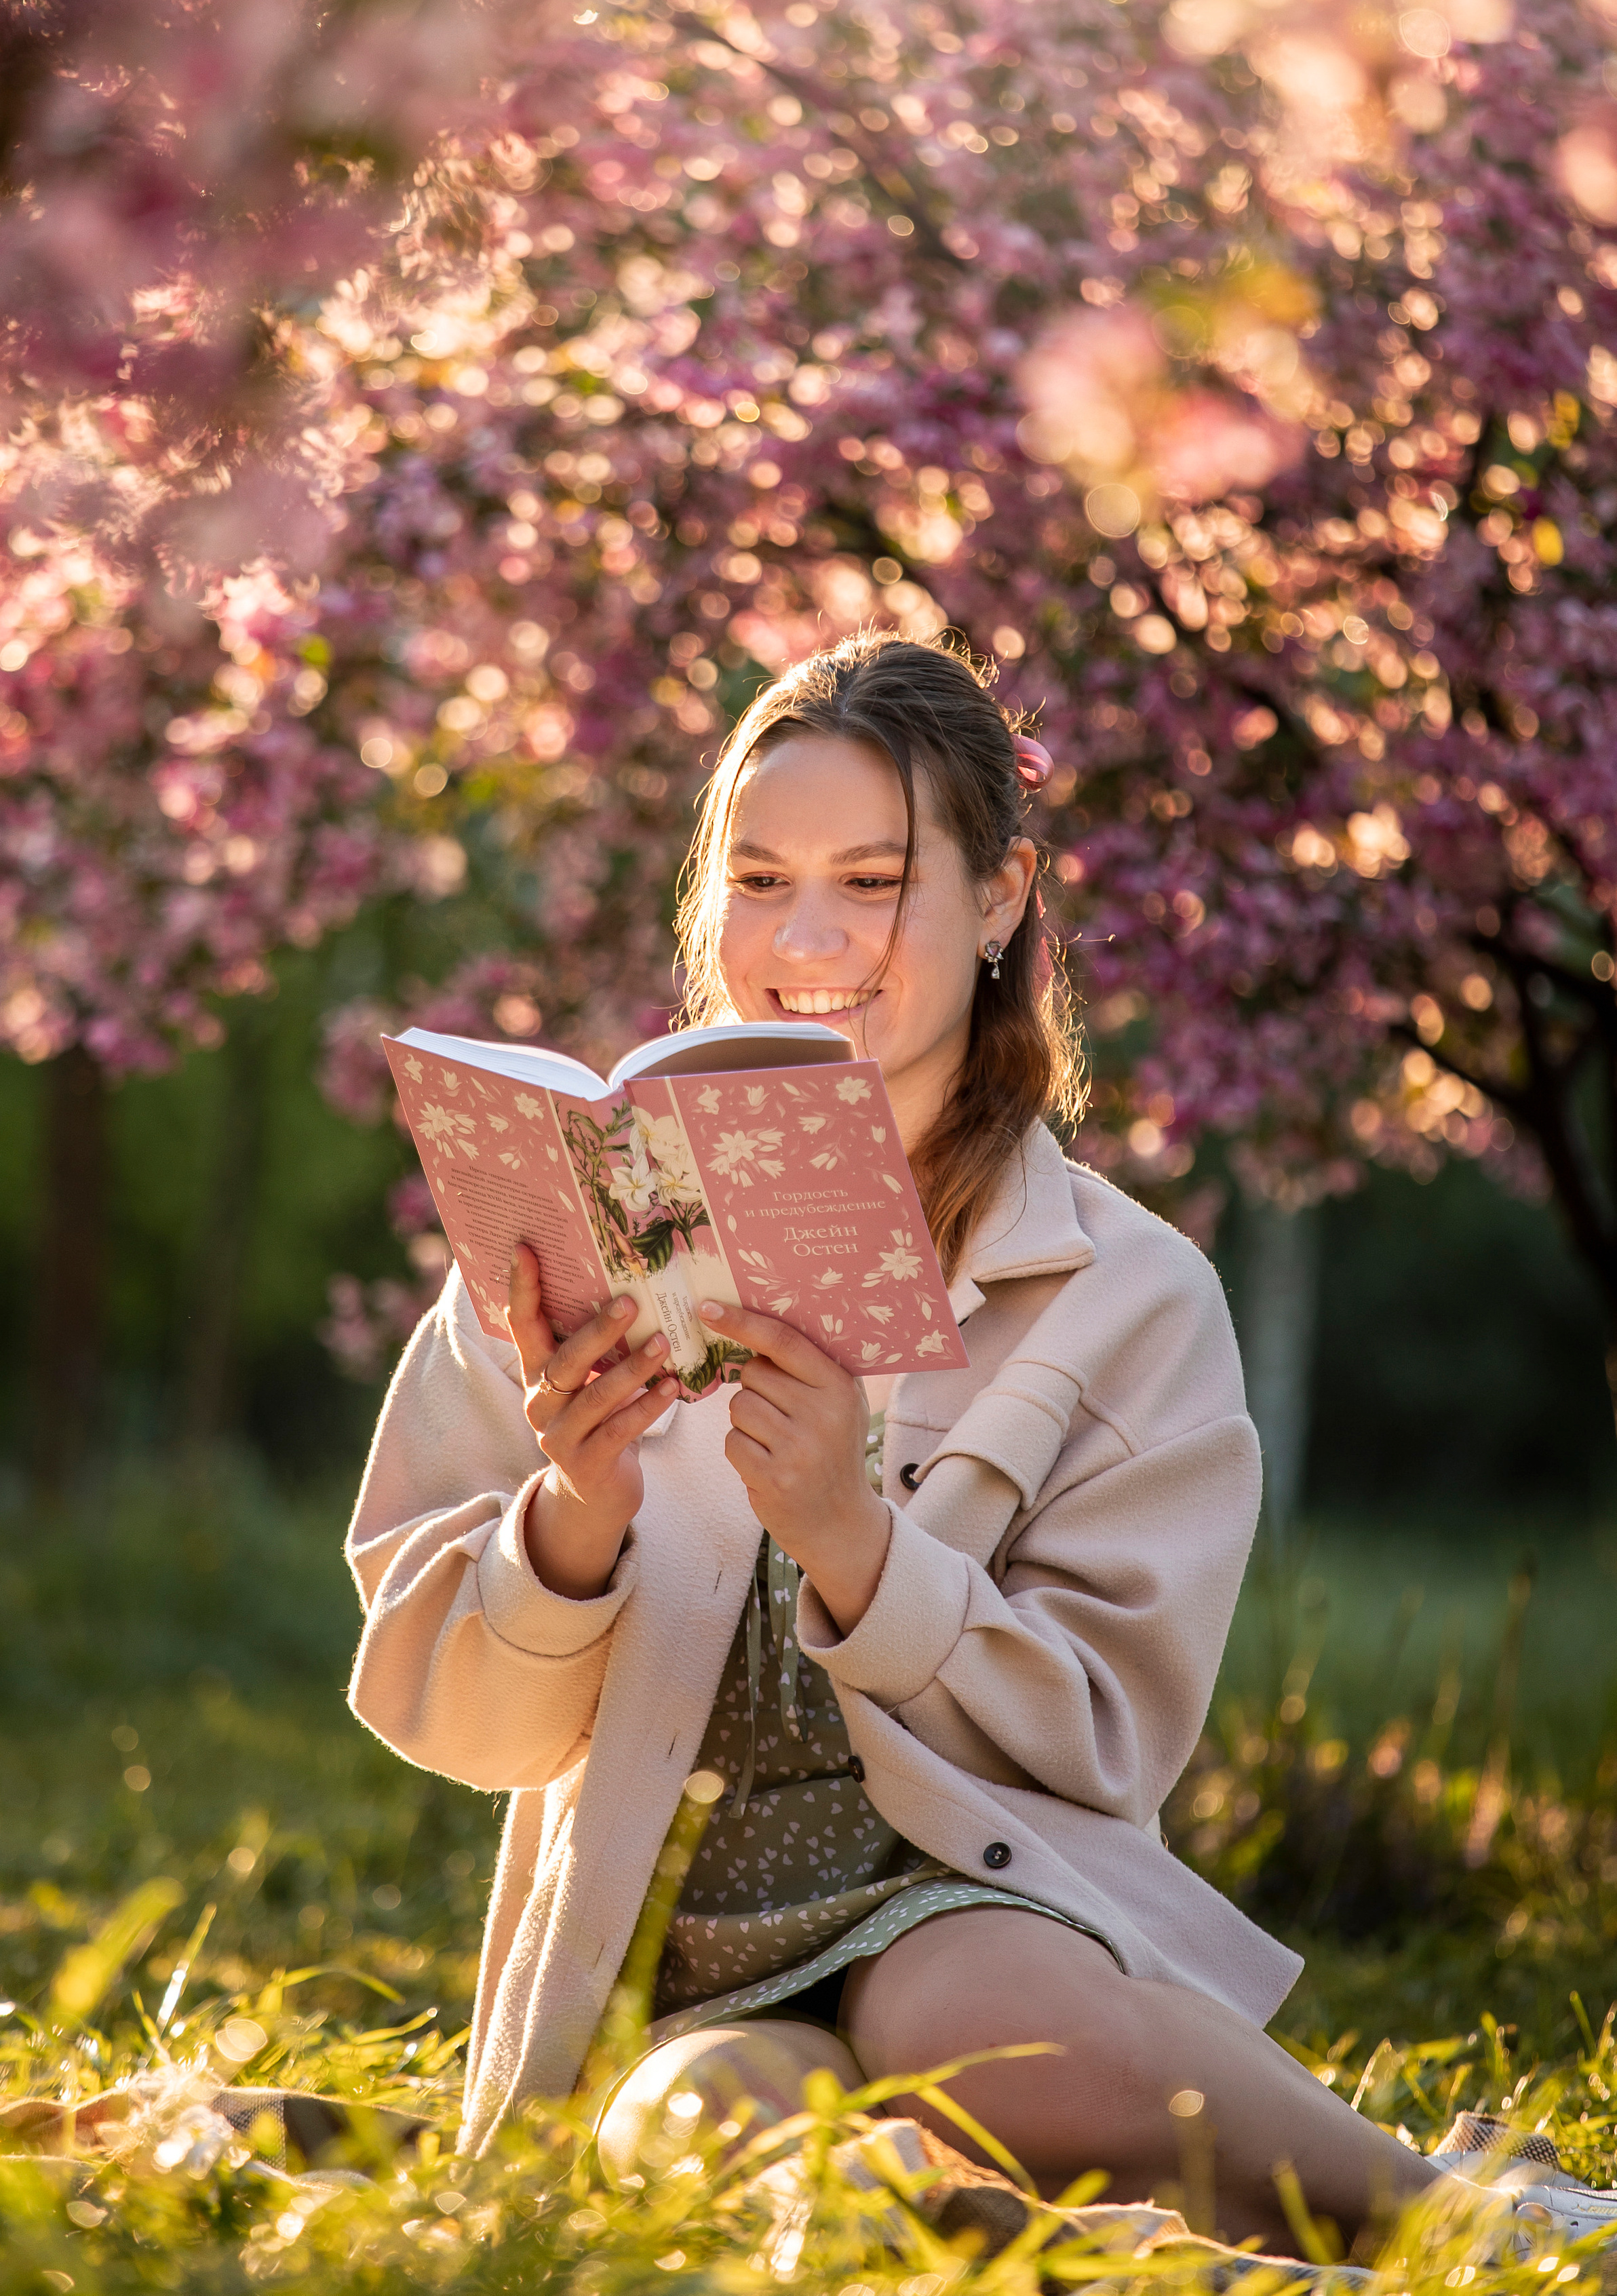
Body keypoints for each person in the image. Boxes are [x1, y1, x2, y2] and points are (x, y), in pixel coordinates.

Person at [340, 634, 1472, 2248]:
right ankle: (1117, 2264)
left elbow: (1108, 1744)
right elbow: (449, 1717)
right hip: (674, 1962)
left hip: (966, 1896)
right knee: (705, 2123)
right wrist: (568, 1525)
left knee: (978, 2027)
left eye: (872, 882)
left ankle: (1469, 2227)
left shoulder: (1128, 1293)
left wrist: (856, 1545)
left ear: (1000, 896)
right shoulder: (572, 1242)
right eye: (757, 878)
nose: (804, 940)